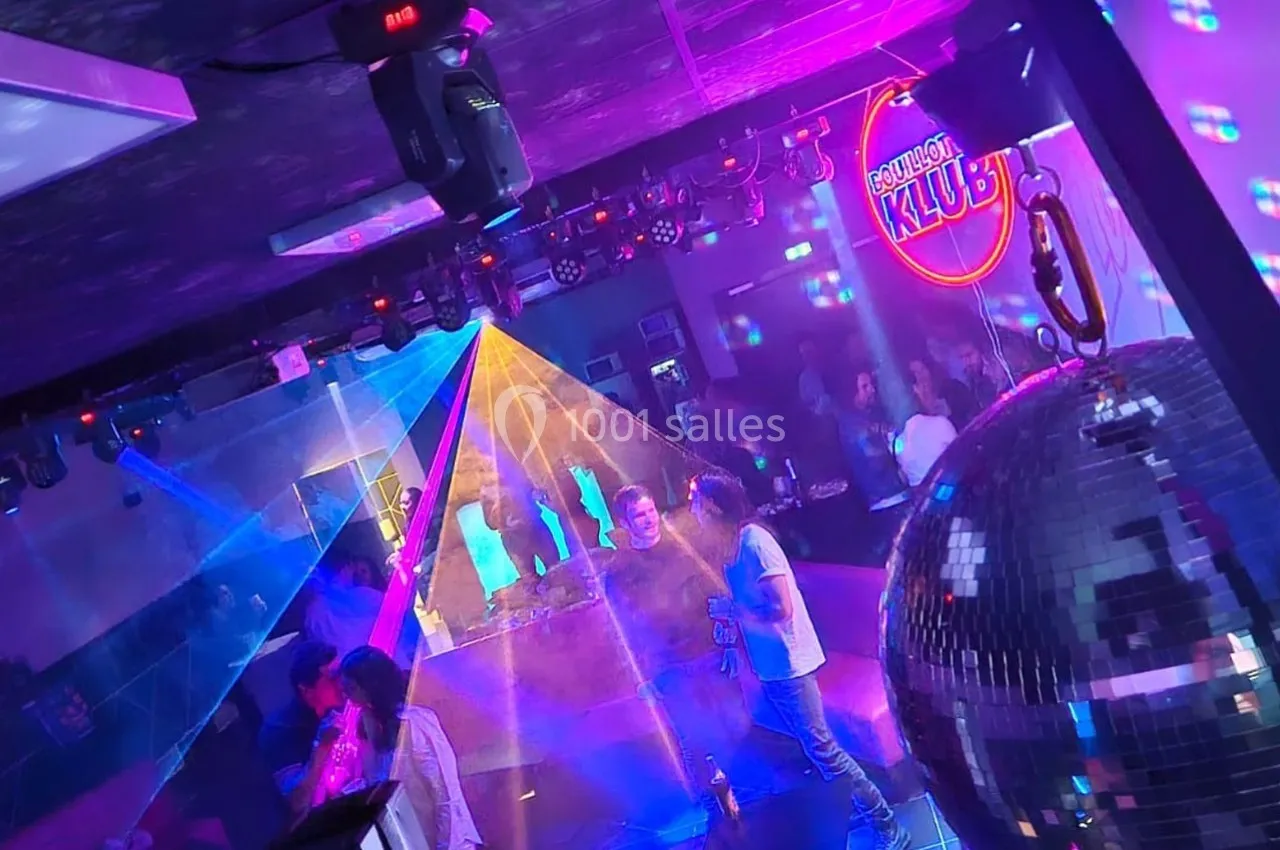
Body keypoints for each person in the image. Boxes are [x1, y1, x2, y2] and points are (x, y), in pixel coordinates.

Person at [691, 471, 909, 850]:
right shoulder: (730, 547)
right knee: (817, 750)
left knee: (825, 751)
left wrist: (736, 611)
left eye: (695, 501)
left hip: (790, 662)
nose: (691, 509)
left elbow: (782, 608)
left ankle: (888, 826)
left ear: (712, 506)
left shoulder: (755, 541)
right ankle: (860, 809)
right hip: (771, 665)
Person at [602, 485, 745, 820]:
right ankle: (714, 811)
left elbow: (717, 591)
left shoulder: (683, 546)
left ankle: (741, 792)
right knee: (693, 738)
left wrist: (728, 642)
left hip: (709, 651)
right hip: (667, 665)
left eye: (651, 510)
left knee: (734, 724)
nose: (649, 519)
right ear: (625, 522)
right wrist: (640, 677)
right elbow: (621, 628)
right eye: (640, 515)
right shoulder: (620, 571)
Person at [340, 646, 483, 850]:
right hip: (410, 838)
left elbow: (444, 789)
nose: (346, 697)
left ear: (371, 686)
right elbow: (378, 782)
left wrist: (445, 845)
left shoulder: (416, 723)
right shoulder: (368, 726)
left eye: (351, 689)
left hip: (447, 839)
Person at [258, 641, 345, 816]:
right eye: (332, 679)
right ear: (306, 690)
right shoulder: (278, 732)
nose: (341, 683)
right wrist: (321, 747)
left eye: (340, 673)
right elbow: (298, 802)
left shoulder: (340, 704)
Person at [305, 552, 413, 668]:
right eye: (355, 572)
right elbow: (403, 601)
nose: (358, 576)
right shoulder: (348, 599)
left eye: (363, 571)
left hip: (379, 665)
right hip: (384, 665)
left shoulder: (371, 596)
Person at [898, 367, 959, 489]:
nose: (927, 390)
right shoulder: (941, 425)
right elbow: (963, 459)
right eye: (923, 386)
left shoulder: (898, 443)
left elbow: (904, 478)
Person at [954, 340, 1000, 414]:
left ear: (980, 351)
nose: (967, 362)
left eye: (969, 355)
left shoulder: (996, 367)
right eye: (962, 358)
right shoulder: (968, 379)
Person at [797, 336, 833, 417]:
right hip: (815, 418)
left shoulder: (829, 371)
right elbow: (805, 402)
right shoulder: (804, 378)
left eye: (809, 352)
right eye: (804, 354)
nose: (807, 356)